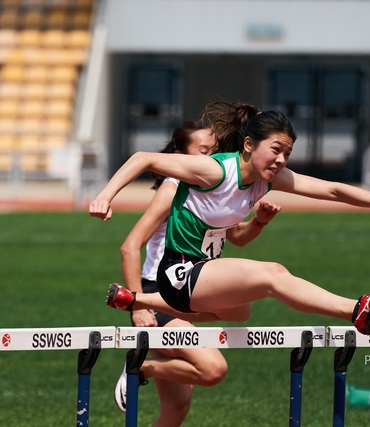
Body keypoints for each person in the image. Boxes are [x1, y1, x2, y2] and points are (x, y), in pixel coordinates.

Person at [90, 101, 370, 337]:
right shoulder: (214, 170)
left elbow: (333, 191)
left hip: (198, 280)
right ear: (248, 144)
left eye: (287, 154)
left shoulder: (267, 179)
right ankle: (355, 310)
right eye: (276, 149)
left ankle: (133, 298)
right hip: (180, 272)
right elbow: (142, 158)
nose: (281, 160)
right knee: (273, 274)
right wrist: (106, 196)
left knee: (241, 310)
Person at [113, 120, 282, 425]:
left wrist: (260, 221)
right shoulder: (173, 186)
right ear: (180, 154)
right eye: (203, 152)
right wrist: (138, 304)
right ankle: (140, 365)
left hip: (193, 291)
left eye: (214, 151)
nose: (212, 158)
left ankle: (143, 364)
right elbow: (130, 246)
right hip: (159, 296)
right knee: (212, 368)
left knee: (177, 408)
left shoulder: (214, 186)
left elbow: (237, 238)